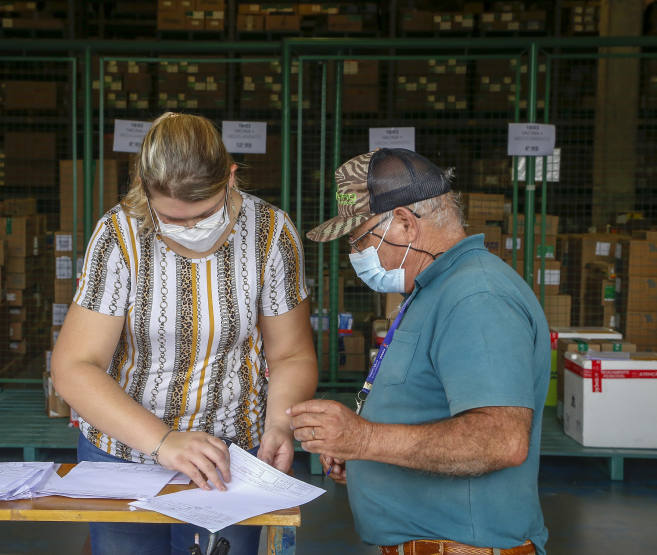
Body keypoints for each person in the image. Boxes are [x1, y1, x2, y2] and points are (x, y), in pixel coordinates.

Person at [52, 112, 318, 555]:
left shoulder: (271, 234)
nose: (192, 229)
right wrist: (162, 441)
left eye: (206, 214)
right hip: (125, 451)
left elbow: (290, 354)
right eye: (173, 220)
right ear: (143, 184)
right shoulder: (118, 236)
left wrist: (278, 424)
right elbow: (75, 367)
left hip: (231, 457)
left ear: (231, 176)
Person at [288, 148, 549, 555]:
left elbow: (501, 439)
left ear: (406, 224)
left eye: (360, 238)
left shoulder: (476, 296)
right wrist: (361, 455)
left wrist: (365, 439)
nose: (353, 253)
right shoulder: (435, 288)